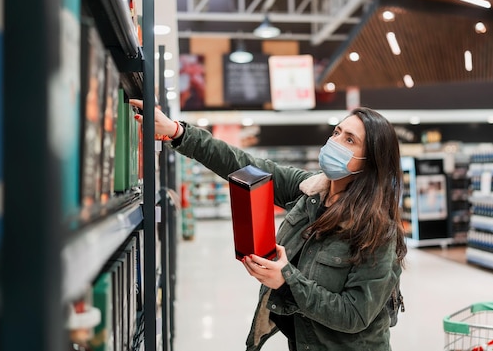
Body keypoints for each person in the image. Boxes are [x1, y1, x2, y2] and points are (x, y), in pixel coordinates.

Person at [129, 99, 407, 351]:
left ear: (370, 161)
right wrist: (178, 131)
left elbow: (354, 314)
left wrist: (287, 279)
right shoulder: (308, 191)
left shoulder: (378, 230)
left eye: (349, 140)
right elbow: (243, 164)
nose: (335, 142)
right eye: (336, 132)